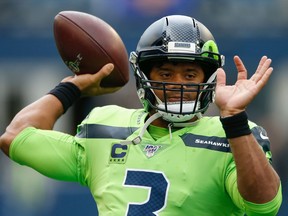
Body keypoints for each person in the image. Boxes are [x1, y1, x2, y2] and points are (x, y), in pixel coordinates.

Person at [0, 15, 282, 215]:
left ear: (209, 79)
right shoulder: (105, 127)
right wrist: (72, 87)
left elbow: (264, 206)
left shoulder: (234, 135)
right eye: (166, 73)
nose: (177, 84)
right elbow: (16, 138)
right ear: (144, 76)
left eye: (190, 74)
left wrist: (234, 118)